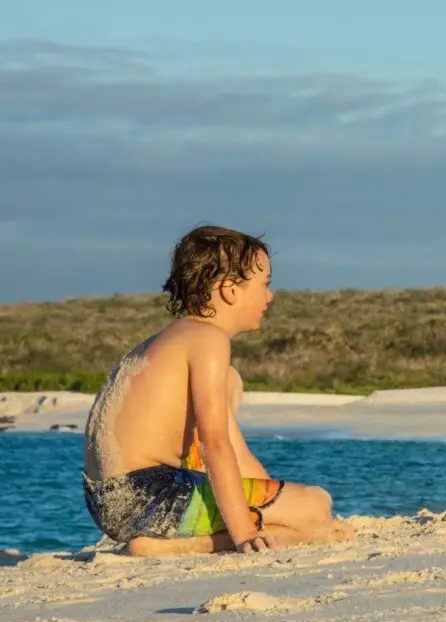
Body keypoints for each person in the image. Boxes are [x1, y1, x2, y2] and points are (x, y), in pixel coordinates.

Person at [82, 225, 355, 557]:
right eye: (264, 284)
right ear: (230, 290)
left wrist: (272, 499)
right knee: (315, 504)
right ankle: (175, 546)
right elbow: (214, 443)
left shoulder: (172, 340)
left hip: (108, 501)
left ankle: (185, 536)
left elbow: (235, 456)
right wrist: (244, 533)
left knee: (230, 380)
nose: (269, 296)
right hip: (149, 497)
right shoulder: (209, 340)